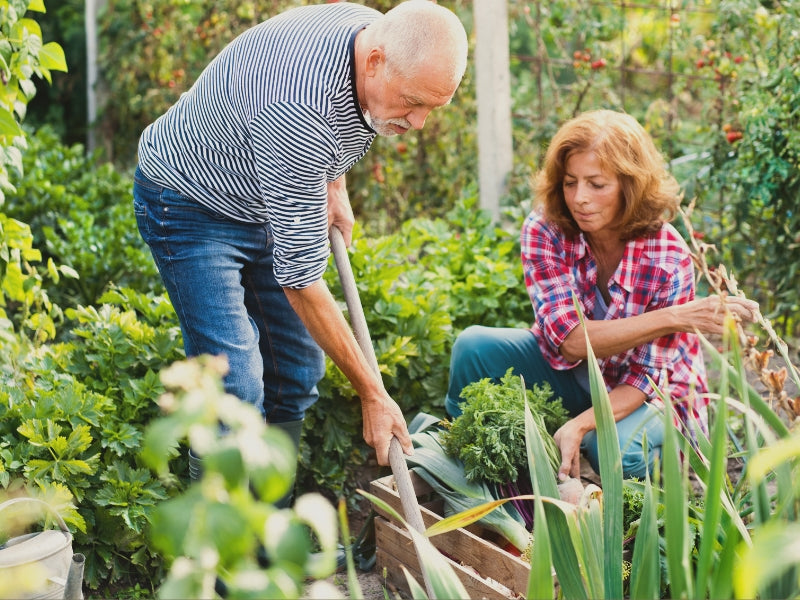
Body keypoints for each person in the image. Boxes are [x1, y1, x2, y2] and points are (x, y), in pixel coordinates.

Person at [132, 0, 469, 498]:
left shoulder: (366, 33)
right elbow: (301, 280)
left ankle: (272, 528)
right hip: (188, 204)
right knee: (236, 387)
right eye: (413, 102)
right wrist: (373, 394)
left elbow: (341, 127)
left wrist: (334, 185)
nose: (418, 123)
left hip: (262, 193)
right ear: (375, 60)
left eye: (432, 109)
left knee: (297, 368)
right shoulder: (296, 110)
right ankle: (224, 560)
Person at [445, 109, 759, 480]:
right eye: (569, 182)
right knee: (473, 348)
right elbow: (569, 341)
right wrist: (676, 317)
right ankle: (475, 471)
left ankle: (663, 470)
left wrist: (580, 425)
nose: (580, 198)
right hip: (574, 373)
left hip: (649, 397)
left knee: (611, 448)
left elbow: (644, 380)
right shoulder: (546, 228)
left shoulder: (666, 255)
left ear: (630, 185)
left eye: (597, 184)